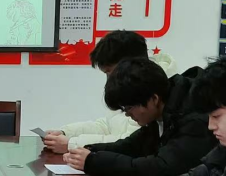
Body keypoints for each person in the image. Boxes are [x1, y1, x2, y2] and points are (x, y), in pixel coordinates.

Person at [60, 57, 212, 176]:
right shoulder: (162, 111)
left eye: (129, 108)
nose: (127, 114)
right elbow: (131, 146)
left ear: (154, 99)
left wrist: (95, 162)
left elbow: (162, 167)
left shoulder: (193, 117)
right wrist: (91, 151)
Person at [42, 30, 176, 152]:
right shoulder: (130, 85)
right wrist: (66, 133)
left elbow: (129, 143)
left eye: (109, 72)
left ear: (129, 65)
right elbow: (107, 125)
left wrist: (72, 144)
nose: (109, 80)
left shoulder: (150, 92)